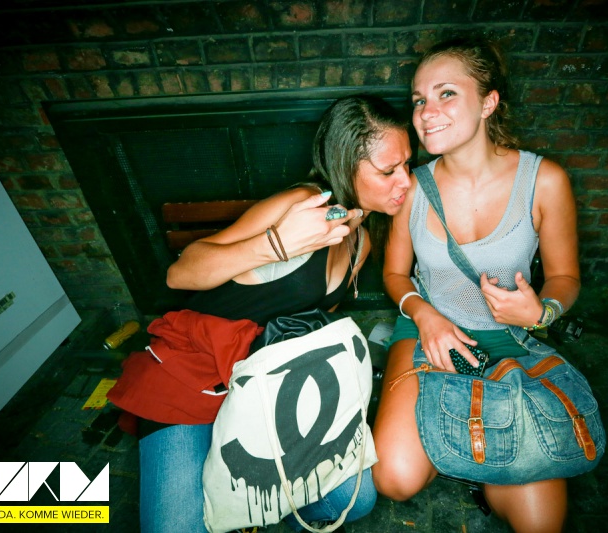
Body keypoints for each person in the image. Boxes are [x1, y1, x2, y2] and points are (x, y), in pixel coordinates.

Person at [133, 94, 412, 533]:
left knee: (354, 499)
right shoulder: (298, 205)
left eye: (408, 165)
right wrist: (275, 245)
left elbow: (308, 318)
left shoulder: (361, 242)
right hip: (196, 370)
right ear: (345, 165)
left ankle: (257, 502)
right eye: (389, 170)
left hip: (269, 381)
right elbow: (180, 274)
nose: (406, 181)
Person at [372, 36, 580, 533]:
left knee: (541, 524)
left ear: (489, 102)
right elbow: (394, 274)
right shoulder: (412, 187)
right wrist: (425, 316)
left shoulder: (543, 180)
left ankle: (470, 453)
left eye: (446, 94)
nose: (426, 113)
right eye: (419, 100)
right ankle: (468, 446)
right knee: (395, 479)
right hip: (427, 333)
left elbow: (565, 277)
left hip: (506, 342)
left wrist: (542, 313)